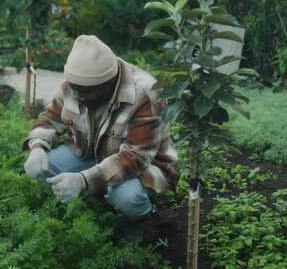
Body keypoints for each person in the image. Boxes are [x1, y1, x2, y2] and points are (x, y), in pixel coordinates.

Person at [23, 35, 178, 221]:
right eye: (76, 89)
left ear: (110, 83)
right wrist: (37, 146)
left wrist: (84, 180)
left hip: (144, 167)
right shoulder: (76, 85)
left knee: (127, 198)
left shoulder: (145, 94)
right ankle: (92, 206)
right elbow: (50, 117)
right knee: (46, 165)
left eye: (88, 92)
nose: (79, 97)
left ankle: (144, 221)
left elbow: (135, 158)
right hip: (91, 154)